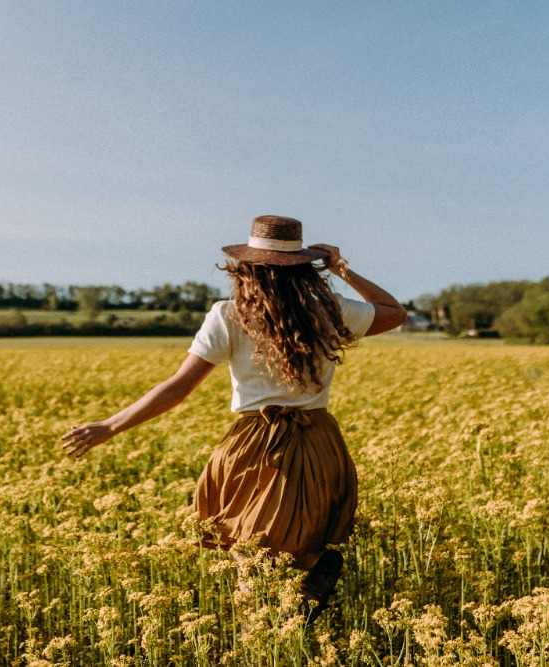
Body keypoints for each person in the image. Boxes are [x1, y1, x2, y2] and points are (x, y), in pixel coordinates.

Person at [61, 215, 406, 613]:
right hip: (317, 442)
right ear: (304, 268)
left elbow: (177, 388)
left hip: (253, 447)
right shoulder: (329, 309)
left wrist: (109, 426)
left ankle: (268, 627)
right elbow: (393, 312)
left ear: (245, 267)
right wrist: (341, 269)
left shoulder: (229, 314)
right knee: (297, 536)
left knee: (249, 550)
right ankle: (307, 581)